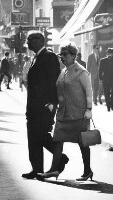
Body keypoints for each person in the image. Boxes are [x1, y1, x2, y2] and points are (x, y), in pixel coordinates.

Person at [38, 42, 93, 181]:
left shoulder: (81, 72)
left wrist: (89, 109)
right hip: (63, 114)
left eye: (65, 55)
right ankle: (54, 169)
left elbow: (88, 92)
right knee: (57, 140)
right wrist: (53, 102)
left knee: (83, 143)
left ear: (73, 56)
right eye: (60, 54)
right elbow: (60, 91)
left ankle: (87, 171)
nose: (62, 57)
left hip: (79, 114)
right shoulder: (63, 71)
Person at [22, 31, 68, 180]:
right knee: (34, 138)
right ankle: (36, 169)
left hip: (44, 107)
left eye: (30, 40)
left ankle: (60, 157)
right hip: (34, 107)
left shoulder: (49, 57)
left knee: (41, 136)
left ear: (39, 40)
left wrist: (51, 103)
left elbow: (52, 82)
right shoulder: (36, 57)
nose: (28, 43)